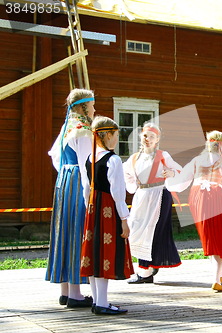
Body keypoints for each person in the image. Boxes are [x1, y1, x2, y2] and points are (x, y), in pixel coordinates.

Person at [169, 130, 222, 292]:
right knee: (219, 237)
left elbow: (183, 180)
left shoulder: (197, 160)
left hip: (197, 197)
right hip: (215, 197)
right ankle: (217, 278)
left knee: (209, 235)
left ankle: (219, 275)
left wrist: (169, 184)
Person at [46, 89, 95, 308]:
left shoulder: (66, 127)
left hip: (64, 181)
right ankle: (75, 294)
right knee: (76, 232)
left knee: (63, 231)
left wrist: (65, 173)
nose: (94, 109)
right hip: (77, 181)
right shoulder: (84, 130)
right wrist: (88, 195)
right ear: (84, 106)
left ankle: (65, 291)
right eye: (92, 105)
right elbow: (86, 166)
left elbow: (54, 155)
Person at [80, 116, 134, 315]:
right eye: (116, 135)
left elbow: (86, 189)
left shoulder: (89, 158)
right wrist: (124, 220)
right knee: (105, 254)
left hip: (93, 209)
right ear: (107, 135)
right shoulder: (113, 160)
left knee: (94, 254)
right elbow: (119, 193)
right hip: (108, 210)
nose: (117, 140)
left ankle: (98, 301)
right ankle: (102, 303)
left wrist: (89, 210)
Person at [123, 123, 182, 283]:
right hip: (142, 197)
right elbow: (126, 172)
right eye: (145, 135)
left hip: (159, 196)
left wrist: (171, 173)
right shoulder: (135, 158)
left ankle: (145, 272)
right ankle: (147, 268)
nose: (147, 138)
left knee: (151, 231)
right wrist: (133, 183)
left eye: (151, 136)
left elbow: (179, 171)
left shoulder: (163, 155)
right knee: (137, 229)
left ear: (157, 139)